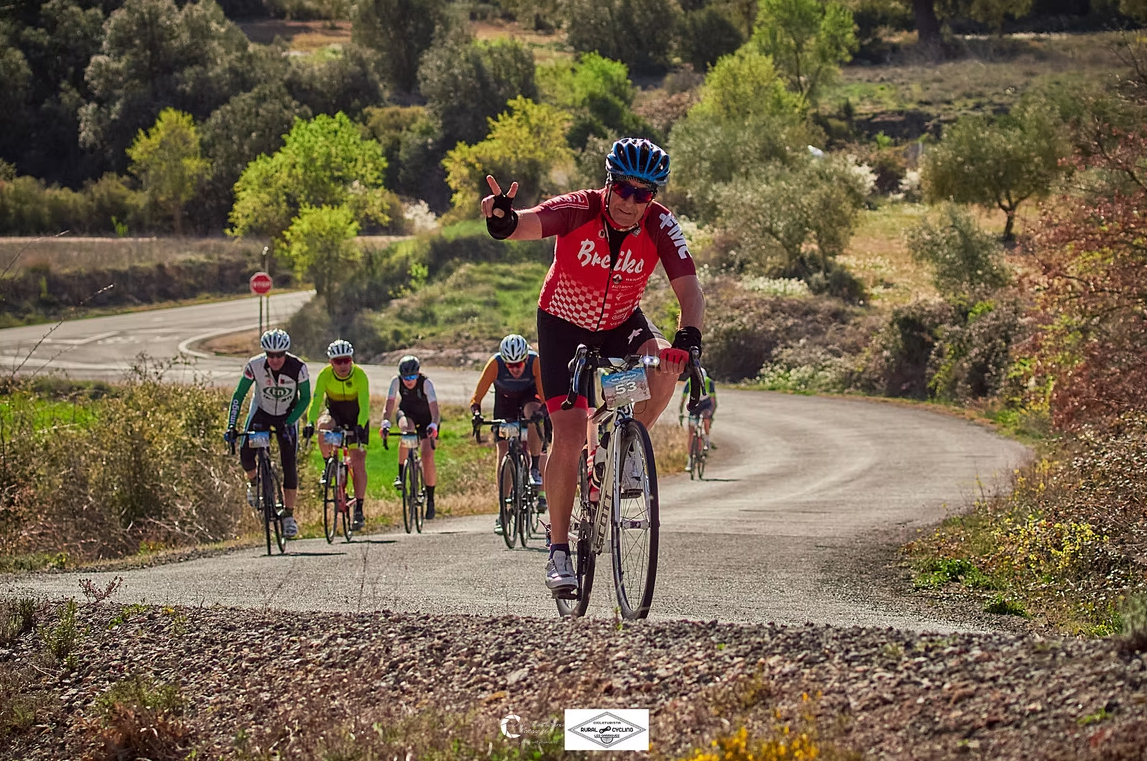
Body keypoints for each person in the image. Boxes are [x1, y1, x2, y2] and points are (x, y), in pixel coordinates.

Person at [481, 136, 705, 594]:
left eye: (643, 194)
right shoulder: (580, 208)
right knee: (567, 432)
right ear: (609, 184)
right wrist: (503, 220)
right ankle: (559, 551)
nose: (631, 202)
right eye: (624, 189)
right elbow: (529, 224)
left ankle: (620, 455)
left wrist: (689, 339)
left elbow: (690, 289)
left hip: (620, 320)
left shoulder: (661, 224)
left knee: (664, 364)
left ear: (654, 197)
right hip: (563, 324)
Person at [225, 328, 311, 539]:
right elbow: (238, 395)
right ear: (265, 353)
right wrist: (231, 425)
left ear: (286, 354)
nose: (274, 359)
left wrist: (290, 422)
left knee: (289, 463)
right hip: (261, 412)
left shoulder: (298, 368)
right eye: (270, 355)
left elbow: (305, 398)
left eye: (279, 355)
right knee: (246, 453)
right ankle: (254, 484)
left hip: (287, 415)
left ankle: (289, 516)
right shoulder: (254, 365)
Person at [470, 334, 548, 535]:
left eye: (519, 364)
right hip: (504, 403)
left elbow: (544, 395)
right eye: (510, 365)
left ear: (525, 358)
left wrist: (544, 412)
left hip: (529, 397)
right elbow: (477, 396)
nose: (515, 368)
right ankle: (503, 510)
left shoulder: (534, 361)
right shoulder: (495, 363)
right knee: (503, 452)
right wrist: (476, 413)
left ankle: (535, 469)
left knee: (534, 414)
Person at [303, 339, 370, 530]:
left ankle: (359, 508)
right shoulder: (325, 375)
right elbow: (316, 402)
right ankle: (329, 466)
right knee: (323, 427)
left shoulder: (360, 375)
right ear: (331, 362)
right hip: (336, 415)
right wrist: (309, 422)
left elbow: (365, 405)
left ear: (351, 360)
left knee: (357, 461)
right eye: (337, 361)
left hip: (357, 418)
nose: (342, 365)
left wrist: (360, 426)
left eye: (346, 360)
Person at [380, 355, 441, 519]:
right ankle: (401, 474)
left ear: (418, 373)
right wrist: (385, 422)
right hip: (408, 414)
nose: (409, 380)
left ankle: (431, 499)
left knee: (427, 457)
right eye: (406, 377)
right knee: (406, 431)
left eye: (413, 376)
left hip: (428, 418)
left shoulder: (426, 383)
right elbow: (389, 404)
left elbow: (435, 411)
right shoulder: (396, 382)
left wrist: (433, 426)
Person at [679, 368, 717, 470]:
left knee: (706, 419)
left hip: (706, 405)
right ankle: (690, 460)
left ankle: (707, 440)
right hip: (694, 405)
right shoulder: (689, 382)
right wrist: (681, 413)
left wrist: (711, 414)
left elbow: (713, 402)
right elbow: (683, 400)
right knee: (691, 433)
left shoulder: (709, 383)